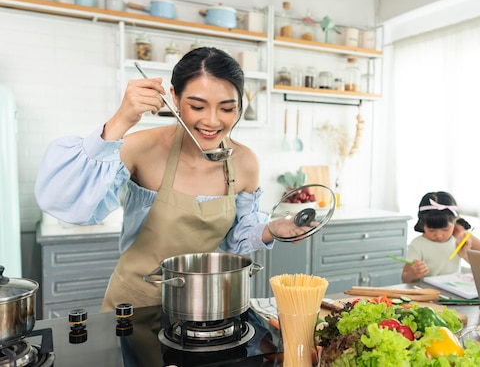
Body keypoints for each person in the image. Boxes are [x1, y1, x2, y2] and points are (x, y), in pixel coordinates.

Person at [34, 47, 305, 312]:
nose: (212, 121)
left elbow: (235, 237)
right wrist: (121, 120)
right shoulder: (142, 148)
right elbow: (67, 203)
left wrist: (272, 229)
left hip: (205, 308)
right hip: (134, 306)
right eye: (197, 106)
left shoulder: (245, 162)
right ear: (174, 97)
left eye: (227, 108)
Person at [401, 191, 480, 283]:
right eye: (431, 230)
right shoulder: (417, 245)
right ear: (422, 224)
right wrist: (412, 274)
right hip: (427, 293)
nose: (439, 236)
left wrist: (463, 254)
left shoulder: (457, 240)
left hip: (453, 292)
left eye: (445, 229)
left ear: (455, 222)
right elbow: (405, 278)